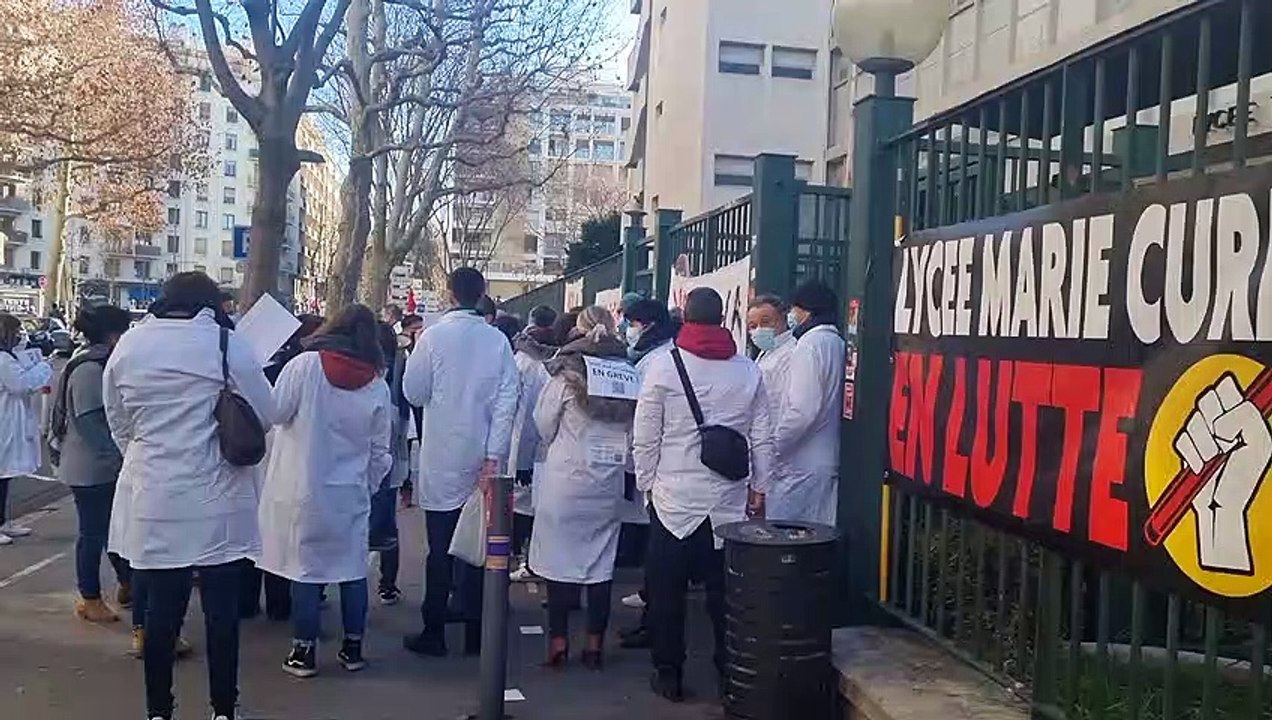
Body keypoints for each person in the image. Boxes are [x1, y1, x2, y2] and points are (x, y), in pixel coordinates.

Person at [104, 272, 273, 720]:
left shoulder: (130, 345)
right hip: (218, 499)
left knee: (161, 612)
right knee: (221, 613)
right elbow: (268, 411)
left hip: (155, 497)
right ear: (210, 303)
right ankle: (222, 709)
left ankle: (159, 710)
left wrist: (149, 457)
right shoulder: (224, 343)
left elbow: (118, 419)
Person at [633, 287, 774, 703]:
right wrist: (760, 489)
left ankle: (669, 671)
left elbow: (645, 436)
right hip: (727, 507)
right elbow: (762, 437)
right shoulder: (748, 370)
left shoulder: (662, 367)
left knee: (667, 594)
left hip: (673, 501)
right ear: (723, 320)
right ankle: (730, 674)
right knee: (727, 598)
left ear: (686, 319)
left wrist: (647, 486)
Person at [257, 304, 392, 678]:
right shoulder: (376, 383)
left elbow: (276, 413)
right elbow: (382, 451)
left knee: (306, 570)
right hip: (349, 492)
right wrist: (367, 485)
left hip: (302, 488)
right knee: (351, 570)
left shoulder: (304, 367)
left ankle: (304, 652)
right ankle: (352, 649)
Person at [402, 267, 519, 657]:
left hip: (441, 454)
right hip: (483, 456)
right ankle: (475, 633)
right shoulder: (497, 341)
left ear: (450, 294)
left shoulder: (432, 337)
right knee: (478, 547)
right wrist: (493, 455)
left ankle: (433, 630)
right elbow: (508, 400)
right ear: (482, 294)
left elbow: (414, 393)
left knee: (440, 548)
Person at [531, 306, 635, 670]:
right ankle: (594, 646)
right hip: (607, 483)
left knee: (559, 565)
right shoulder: (629, 375)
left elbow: (544, 425)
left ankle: (558, 642)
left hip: (566, 479)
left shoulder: (566, 374)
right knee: (600, 567)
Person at [50, 305, 133, 623]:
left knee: (114, 530)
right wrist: (120, 454)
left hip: (99, 465)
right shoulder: (89, 369)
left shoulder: (96, 362)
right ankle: (90, 597)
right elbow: (90, 423)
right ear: (113, 335)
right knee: (93, 534)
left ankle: (127, 585)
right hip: (91, 468)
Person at [242, 313, 325, 622]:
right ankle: (278, 604)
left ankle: (247, 602)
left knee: (257, 531)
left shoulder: (261, 366)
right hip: (280, 455)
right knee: (277, 535)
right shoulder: (302, 368)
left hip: (256, 451)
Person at [616, 298, 680, 643]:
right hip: (663, 465)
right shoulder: (653, 357)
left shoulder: (659, 362)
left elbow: (644, 420)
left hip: (661, 467)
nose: (628, 329)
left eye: (632, 323)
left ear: (649, 325)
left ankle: (654, 623)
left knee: (661, 552)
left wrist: (644, 473)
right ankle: (651, 612)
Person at [767, 281, 846, 525]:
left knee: (785, 540)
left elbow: (802, 410)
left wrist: (774, 447)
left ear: (808, 311)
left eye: (795, 309)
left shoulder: (808, 346)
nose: (792, 315)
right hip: (825, 458)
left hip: (801, 463)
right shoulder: (837, 343)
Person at [508, 305, 558, 582]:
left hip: (530, 452)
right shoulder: (556, 363)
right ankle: (528, 557)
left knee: (523, 507)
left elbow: (526, 418)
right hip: (547, 450)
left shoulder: (524, 364)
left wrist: (522, 462)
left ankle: (521, 557)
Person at [0, 312, 52, 546]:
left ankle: (3, 521)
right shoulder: (3, 359)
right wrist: (42, 367)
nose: (21, 336)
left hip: (8, 419)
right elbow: (21, 385)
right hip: (5, 421)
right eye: (17, 332)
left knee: (5, 475)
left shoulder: (8, 357)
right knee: (1, 474)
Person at [369, 321, 411, 605]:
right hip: (394, 451)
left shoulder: (361, 366)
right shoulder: (401, 364)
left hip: (363, 453)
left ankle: (330, 581)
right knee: (387, 522)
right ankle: (388, 583)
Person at [747, 293, 797, 412]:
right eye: (753, 326)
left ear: (783, 320)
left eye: (765, 323)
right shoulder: (767, 352)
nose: (759, 329)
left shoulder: (792, 353)